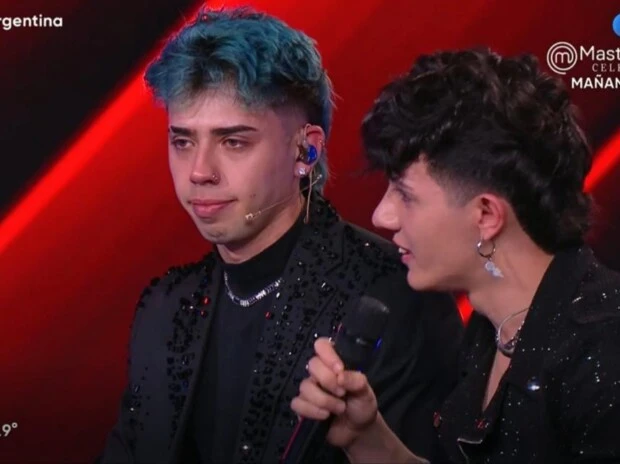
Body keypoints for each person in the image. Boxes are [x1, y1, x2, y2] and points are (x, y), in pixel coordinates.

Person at [97, 7, 464, 464]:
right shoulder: (166, 307)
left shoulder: (397, 295)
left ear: (306, 150)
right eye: (183, 141)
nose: (199, 172)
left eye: (234, 142)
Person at [291, 47, 620, 463]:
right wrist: (365, 436)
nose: (381, 216)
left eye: (405, 194)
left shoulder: (605, 350)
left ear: (486, 215)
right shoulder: (489, 332)